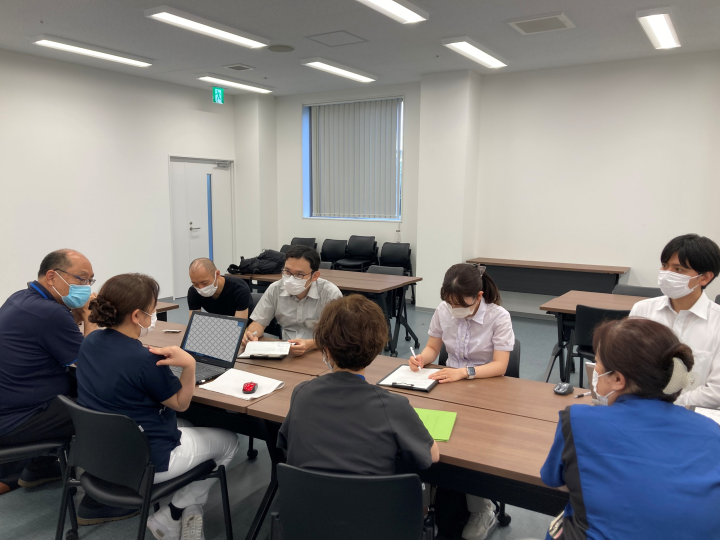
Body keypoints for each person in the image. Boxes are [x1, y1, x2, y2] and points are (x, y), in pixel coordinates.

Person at [77, 273, 239, 540]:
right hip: (144, 462)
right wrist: (189, 365)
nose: (153, 316)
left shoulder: (90, 341)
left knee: (188, 426)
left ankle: (189, 508)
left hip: (100, 454)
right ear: (137, 316)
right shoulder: (145, 360)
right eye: (152, 310)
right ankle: (173, 512)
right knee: (230, 441)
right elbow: (181, 403)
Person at [541, 317, 720, 540]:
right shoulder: (712, 431)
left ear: (618, 379)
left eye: (597, 364)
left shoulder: (579, 421)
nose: (595, 373)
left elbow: (555, 480)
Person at [407, 263, 514, 540]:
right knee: (427, 436)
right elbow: (433, 347)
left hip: (485, 387)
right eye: (450, 303)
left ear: (478, 296)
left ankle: (482, 509)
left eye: (460, 304)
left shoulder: (498, 316)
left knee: (473, 447)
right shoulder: (444, 310)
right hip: (448, 384)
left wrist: (463, 373)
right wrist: (421, 359)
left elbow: (500, 365)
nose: (453, 309)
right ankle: (428, 501)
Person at [278, 294, 439, 474]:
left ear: (326, 350)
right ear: (376, 349)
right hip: (371, 493)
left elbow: (286, 442)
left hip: (305, 492)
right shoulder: (393, 406)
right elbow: (432, 455)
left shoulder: (302, 393)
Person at [0, 249, 100, 497]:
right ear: (52, 276)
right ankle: (102, 494)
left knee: (74, 384)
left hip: (12, 404)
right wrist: (90, 318)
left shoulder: (20, 298)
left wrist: (75, 316)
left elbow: (50, 338)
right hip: (18, 419)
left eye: (90, 280)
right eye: (81, 279)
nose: (86, 287)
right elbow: (91, 364)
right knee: (104, 404)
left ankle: (38, 468)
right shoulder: (51, 312)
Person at [629, 234, 720, 408]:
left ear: (705, 278)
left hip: (691, 415)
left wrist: (665, 404)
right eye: (665, 266)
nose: (667, 274)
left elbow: (716, 391)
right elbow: (623, 363)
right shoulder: (642, 310)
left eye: (678, 269)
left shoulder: (717, 322)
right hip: (640, 409)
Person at [243, 245, 342, 357]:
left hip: (320, 352)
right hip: (286, 351)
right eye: (287, 271)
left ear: (314, 276)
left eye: (299, 274)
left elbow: (338, 336)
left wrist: (309, 344)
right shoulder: (275, 289)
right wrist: (251, 334)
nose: (291, 279)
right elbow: (259, 322)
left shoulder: (330, 293)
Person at [187, 258, 253, 319]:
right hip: (218, 323)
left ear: (217, 274)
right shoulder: (193, 291)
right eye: (195, 284)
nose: (201, 288)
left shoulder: (239, 289)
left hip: (247, 324)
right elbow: (194, 321)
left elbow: (239, 324)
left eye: (204, 283)